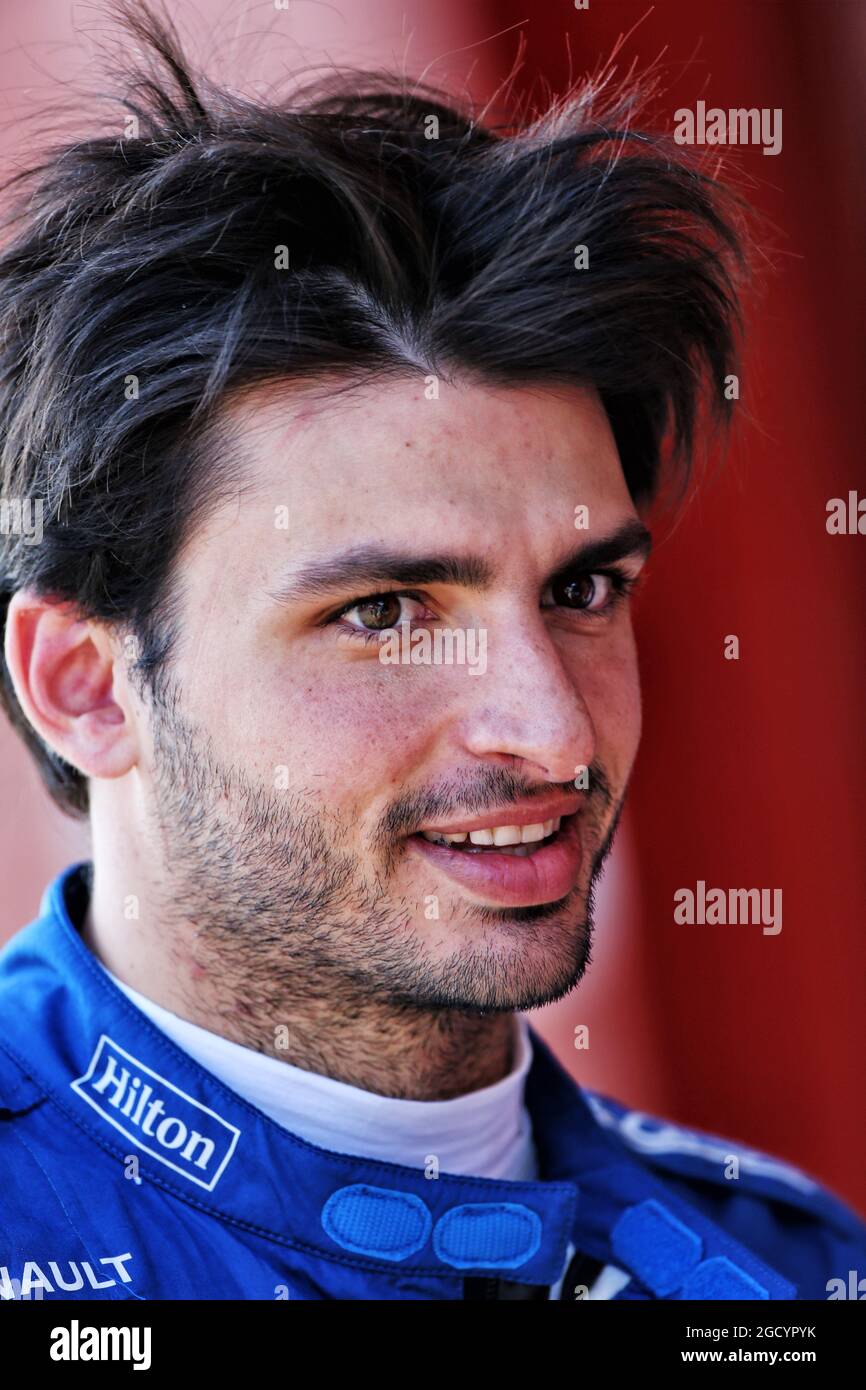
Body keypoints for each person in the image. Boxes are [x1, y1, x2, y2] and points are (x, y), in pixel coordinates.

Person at [0, 2, 863, 1302]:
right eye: (386, 611)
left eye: (581, 588)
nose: (555, 732)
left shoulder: (790, 1269)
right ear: (84, 684)